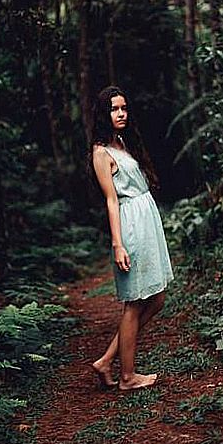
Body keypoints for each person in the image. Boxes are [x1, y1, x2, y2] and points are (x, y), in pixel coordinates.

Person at [87, 85, 174, 391]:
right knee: (135, 303)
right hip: (131, 225)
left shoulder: (121, 142)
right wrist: (118, 243)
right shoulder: (101, 153)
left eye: (124, 108)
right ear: (103, 114)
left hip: (145, 217)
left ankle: (107, 360)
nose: (121, 113)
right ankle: (127, 376)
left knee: (157, 298)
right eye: (114, 109)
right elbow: (111, 200)